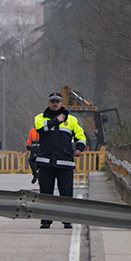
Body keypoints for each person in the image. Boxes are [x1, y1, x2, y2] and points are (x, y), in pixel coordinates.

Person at [33, 91, 87, 229]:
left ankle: (67, 220)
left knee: (66, 194)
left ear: (61, 103)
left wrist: (80, 148)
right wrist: (57, 120)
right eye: (52, 101)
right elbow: (40, 129)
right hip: (46, 162)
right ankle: (46, 221)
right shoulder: (40, 118)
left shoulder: (72, 120)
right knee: (45, 193)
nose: (55, 104)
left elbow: (81, 136)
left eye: (57, 101)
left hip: (65, 162)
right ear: (49, 103)